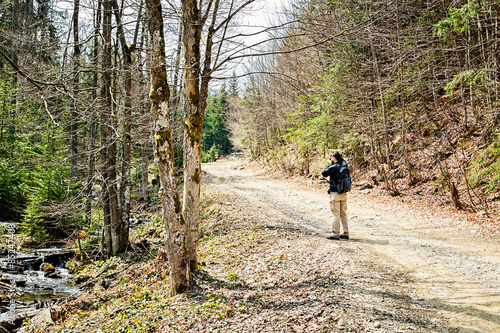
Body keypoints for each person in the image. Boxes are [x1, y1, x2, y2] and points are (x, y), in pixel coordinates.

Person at [322, 152, 349, 240]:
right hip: (344, 193)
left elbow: (324, 173)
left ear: (334, 158)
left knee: (335, 214)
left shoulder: (334, 167)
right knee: (343, 213)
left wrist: (332, 164)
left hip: (335, 193)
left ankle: (335, 234)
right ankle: (345, 233)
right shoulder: (344, 165)